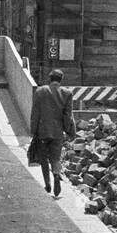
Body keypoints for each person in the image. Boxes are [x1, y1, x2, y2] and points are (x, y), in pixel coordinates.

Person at [29, 69, 76, 198]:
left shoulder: (40, 91)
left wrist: (33, 130)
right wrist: (68, 130)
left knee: (43, 158)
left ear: (50, 79)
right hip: (57, 132)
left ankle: (47, 183)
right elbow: (68, 115)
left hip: (42, 131)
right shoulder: (67, 93)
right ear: (61, 80)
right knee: (55, 158)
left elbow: (35, 113)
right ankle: (56, 173)